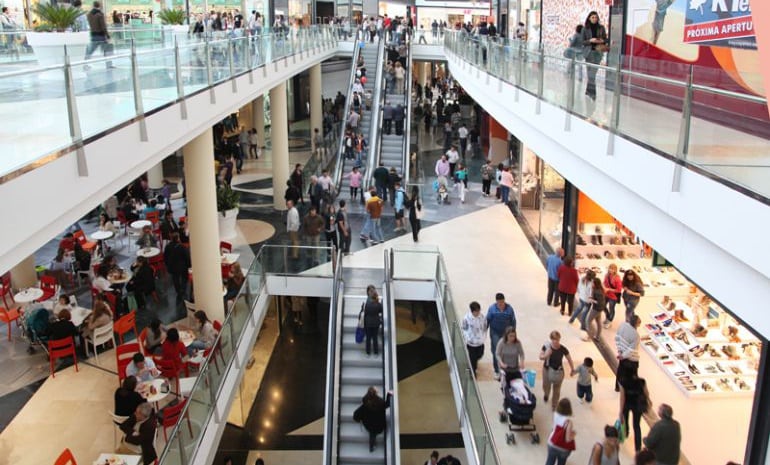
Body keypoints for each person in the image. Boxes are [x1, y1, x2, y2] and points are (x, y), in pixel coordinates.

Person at [539, 330, 576, 410]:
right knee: (546, 385)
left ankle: (554, 404)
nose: (555, 341)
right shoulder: (546, 346)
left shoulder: (562, 349)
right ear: (551, 339)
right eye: (553, 339)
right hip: (547, 369)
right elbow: (540, 356)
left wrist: (572, 369)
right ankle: (546, 394)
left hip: (558, 371)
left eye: (557, 339)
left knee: (557, 389)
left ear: (559, 339)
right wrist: (546, 355)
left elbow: (569, 359)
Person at [486, 293, 516, 380]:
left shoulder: (509, 309)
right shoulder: (492, 309)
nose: (501, 305)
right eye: (499, 303)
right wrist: (484, 331)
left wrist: (513, 333)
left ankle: (505, 368)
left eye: (502, 302)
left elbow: (513, 321)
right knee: (496, 351)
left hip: (505, 333)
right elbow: (487, 320)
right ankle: (497, 370)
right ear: (496, 302)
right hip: (495, 332)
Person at [618, 372, 650, 453]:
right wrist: (648, 401)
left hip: (627, 404)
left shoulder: (623, 382)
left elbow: (622, 398)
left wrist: (620, 411)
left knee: (625, 420)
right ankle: (638, 449)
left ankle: (626, 432)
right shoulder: (642, 381)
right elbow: (646, 393)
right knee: (636, 426)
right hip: (637, 405)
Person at [354, 386, 392, 452]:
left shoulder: (364, 406)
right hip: (380, 426)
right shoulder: (381, 403)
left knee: (372, 435)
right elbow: (387, 404)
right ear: (376, 394)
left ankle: (371, 447)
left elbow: (356, 416)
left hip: (369, 426)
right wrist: (389, 394)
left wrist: (359, 420)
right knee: (375, 431)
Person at [581, 11, 607, 100]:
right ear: (589, 18)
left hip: (598, 53)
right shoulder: (585, 29)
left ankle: (589, 91)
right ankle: (592, 93)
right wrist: (590, 41)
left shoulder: (601, 28)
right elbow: (582, 41)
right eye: (593, 17)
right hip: (589, 53)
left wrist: (601, 41)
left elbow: (605, 39)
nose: (595, 19)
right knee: (590, 74)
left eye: (596, 17)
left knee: (593, 74)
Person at [545, 398, 576, 465]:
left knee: (550, 461)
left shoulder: (555, 414)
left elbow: (553, 427)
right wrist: (573, 435)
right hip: (563, 448)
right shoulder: (569, 421)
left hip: (552, 442)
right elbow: (567, 439)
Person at [84, 1, 114, 70]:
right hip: (101, 36)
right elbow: (103, 26)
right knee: (107, 50)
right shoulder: (100, 14)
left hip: (93, 35)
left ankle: (85, 64)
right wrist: (107, 35)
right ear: (99, 6)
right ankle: (109, 65)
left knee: (89, 51)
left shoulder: (89, 14)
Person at [615, 314, 641, 391]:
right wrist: (623, 356)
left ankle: (617, 387)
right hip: (631, 359)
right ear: (637, 324)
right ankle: (631, 390)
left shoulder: (622, 325)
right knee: (632, 375)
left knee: (620, 371)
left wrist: (620, 351)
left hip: (621, 354)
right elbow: (631, 350)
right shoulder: (636, 335)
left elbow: (617, 338)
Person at [462, 301, 487, 376]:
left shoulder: (482, 317)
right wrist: (468, 338)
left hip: (480, 342)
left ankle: (473, 363)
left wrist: (484, 336)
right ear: (472, 311)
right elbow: (464, 329)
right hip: (471, 343)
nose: (478, 312)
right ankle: (472, 372)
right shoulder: (467, 318)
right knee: (473, 358)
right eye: (477, 311)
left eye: (479, 310)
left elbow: (484, 327)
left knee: (480, 355)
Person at [164, 232, 190, 303]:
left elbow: (165, 257)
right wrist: (189, 265)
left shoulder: (168, 246)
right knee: (184, 277)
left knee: (175, 279)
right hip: (182, 267)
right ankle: (183, 290)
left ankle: (178, 291)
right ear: (178, 238)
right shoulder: (182, 247)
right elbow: (187, 257)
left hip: (172, 267)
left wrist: (167, 265)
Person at [362, 289, 383, 356]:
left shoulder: (367, 304)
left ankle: (368, 352)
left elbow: (365, 313)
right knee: (375, 338)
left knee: (368, 338)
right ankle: (376, 352)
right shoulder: (379, 304)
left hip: (368, 323)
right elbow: (380, 311)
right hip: (376, 323)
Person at [603, 263, 622, 329]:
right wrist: (604, 288)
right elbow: (604, 283)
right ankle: (608, 317)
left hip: (613, 296)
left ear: (615, 270)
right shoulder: (606, 275)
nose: (610, 270)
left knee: (611, 308)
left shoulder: (617, 279)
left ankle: (610, 321)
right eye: (610, 268)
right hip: (606, 294)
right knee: (603, 306)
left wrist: (609, 289)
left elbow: (619, 290)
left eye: (612, 269)